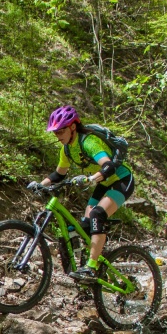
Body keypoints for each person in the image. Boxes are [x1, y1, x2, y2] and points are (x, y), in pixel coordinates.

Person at [28, 105, 134, 284]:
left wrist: (91, 178)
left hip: (121, 180)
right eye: (55, 133)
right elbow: (58, 175)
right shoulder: (67, 149)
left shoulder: (89, 142)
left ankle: (91, 268)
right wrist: (40, 185)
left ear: (72, 127)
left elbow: (108, 166)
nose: (58, 136)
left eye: (60, 131)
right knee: (81, 227)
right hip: (103, 183)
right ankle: (82, 273)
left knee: (97, 214)